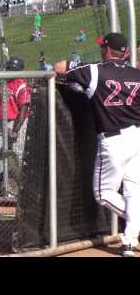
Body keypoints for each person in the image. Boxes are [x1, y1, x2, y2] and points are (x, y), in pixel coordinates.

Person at [54, 32, 140, 257]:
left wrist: (78, 63)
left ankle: (135, 221)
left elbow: (58, 67)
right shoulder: (137, 74)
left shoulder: (94, 71)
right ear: (126, 53)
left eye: (103, 47)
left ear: (108, 50)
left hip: (113, 141)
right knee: (133, 191)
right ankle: (130, 241)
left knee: (103, 193)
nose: (101, 50)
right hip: (137, 137)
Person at [0, 57, 32, 197]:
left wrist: (15, 130)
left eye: (11, 68)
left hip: (15, 123)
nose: (8, 70)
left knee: (18, 155)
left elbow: (23, 110)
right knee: (0, 155)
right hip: (1, 122)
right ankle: (1, 187)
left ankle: (21, 188)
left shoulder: (22, 84)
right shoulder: (4, 82)